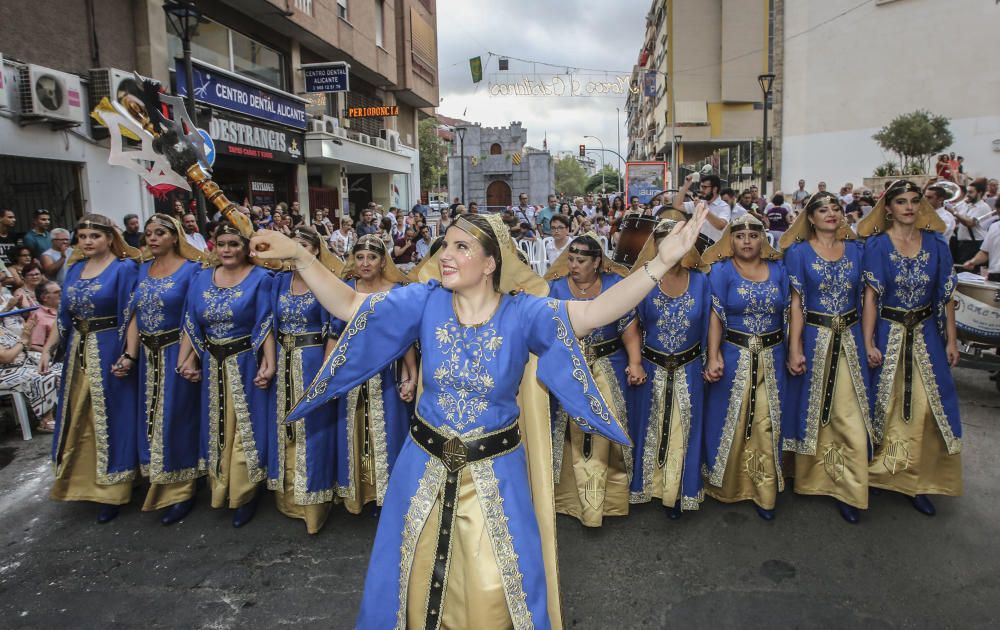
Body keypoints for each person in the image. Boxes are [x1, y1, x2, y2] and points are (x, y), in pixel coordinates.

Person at [248, 207, 707, 629]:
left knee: (494, 592)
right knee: (410, 581)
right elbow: (350, 306)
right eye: (445, 245)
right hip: (420, 468)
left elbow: (593, 312)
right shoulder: (424, 301)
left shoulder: (523, 313)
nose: (445, 255)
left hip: (495, 476)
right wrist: (298, 258)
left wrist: (660, 262)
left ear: (490, 263)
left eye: (460, 247)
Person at [857, 180, 961, 516]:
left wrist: (952, 339)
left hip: (927, 334)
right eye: (901, 201)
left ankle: (915, 481)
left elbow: (945, 297)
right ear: (888, 208)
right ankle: (876, 475)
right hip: (889, 331)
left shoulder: (936, 243)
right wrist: (869, 341)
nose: (909, 207)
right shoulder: (876, 245)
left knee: (925, 407)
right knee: (883, 403)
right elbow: (870, 297)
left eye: (915, 201)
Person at [780, 193, 873, 524]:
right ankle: (810, 479)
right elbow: (795, 304)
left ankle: (851, 489)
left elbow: (866, 301)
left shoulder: (857, 251)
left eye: (836, 208)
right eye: (823, 209)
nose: (831, 213)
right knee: (812, 410)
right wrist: (794, 348)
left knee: (849, 414)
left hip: (849, 340)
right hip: (814, 339)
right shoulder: (798, 253)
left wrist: (869, 343)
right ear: (811, 218)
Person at [42, 214, 141, 523]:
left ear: (110, 238)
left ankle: (114, 489)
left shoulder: (124, 269)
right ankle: (80, 481)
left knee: (111, 416)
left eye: (94, 236)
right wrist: (47, 349)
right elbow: (64, 315)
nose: (87, 241)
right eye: (82, 236)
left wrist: (130, 354)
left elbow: (133, 313)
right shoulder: (73, 271)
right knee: (79, 415)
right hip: (78, 350)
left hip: (111, 345)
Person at [178, 221, 276, 528]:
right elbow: (192, 322)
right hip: (211, 363)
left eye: (234, 244)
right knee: (217, 425)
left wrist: (267, 363)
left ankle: (245, 493)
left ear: (246, 247)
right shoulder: (201, 278)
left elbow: (265, 323)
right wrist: (187, 360)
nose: (228, 250)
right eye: (222, 244)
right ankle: (220, 488)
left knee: (246, 428)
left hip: (245, 360)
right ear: (214, 247)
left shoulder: (261, 278)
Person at [544, 235, 640, 527]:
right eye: (570, 259)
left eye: (581, 260)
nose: (573, 265)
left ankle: (608, 501)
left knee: (605, 430)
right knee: (569, 432)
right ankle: (568, 501)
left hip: (608, 366)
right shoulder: (555, 288)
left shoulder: (613, 286)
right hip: (568, 369)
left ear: (597, 261)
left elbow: (629, 328)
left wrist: (635, 362)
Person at [118, 214, 206, 525]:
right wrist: (129, 355)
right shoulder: (141, 270)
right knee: (150, 418)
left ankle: (182, 488)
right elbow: (133, 314)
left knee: (176, 418)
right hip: (147, 356)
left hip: (175, 352)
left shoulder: (192, 270)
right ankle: (156, 479)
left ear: (174, 237)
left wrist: (189, 357)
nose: (153, 238)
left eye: (160, 233)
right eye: (149, 233)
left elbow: (194, 317)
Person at [701, 214, 788, 520]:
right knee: (732, 421)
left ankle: (763, 492)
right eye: (740, 236)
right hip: (734, 355)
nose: (747, 241)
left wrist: (795, 350)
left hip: (772, 359)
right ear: (730, 240)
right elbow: (714, 316)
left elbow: (792, 311)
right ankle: (725, 486)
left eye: (753, 235)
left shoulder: (779, 269)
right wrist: (713, 356)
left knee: (765, 421)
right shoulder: (721, 271)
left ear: (763, 239)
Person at [627, 220, 709, 517]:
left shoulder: (701, 280)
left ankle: (675, 492)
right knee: (648, 424)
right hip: (651, 365)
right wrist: (635, 361)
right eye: (664, 240)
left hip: (689, 367)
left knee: (683, 429)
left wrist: (712, 358)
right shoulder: (644, 278)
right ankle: (646, 486)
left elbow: (711, 320)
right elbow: (630, 322)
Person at [331, 235, 416, 516]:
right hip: (351, 370)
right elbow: (333, 333)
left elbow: (405, 338)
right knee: (352, 428)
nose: (365, 263)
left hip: (388, 372)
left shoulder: (397, 291)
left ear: (383, 262)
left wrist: (410, 375)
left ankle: (388, 495)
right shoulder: (344, 289)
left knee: (390, 429)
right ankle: (357, 494)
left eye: (372, 258)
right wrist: (327, 375)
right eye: (360, 257)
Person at [267, 226, 344, 534]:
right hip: (285, 360)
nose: (295, 250)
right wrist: (269, 363)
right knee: (285, 425)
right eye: (291, 245)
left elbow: (334, 324)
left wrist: (326, 368)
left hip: (313, 359)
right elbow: (269, 323)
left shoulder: (326, 280)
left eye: (302, 245)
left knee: (314, 427)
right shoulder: (278, 283)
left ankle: (315, 502)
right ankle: (289, 499)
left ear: (314, 251)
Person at [0, 316, 61, 434]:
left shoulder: (3, 328)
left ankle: (66, 411)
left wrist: (27, 332)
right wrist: (23, 340)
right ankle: (45, 420)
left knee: (61, 368)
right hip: (5, 372)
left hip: (24, 364)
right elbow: (6, 357)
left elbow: (26, 347)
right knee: (43, 376)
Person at [673, 174, 732, 244]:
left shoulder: (724, 206)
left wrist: (703, 209)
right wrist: (686, 186)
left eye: (704, 187)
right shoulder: (700, 203)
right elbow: (677, 205)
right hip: (696, 247)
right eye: (700, 187)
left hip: (715, 249)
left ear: (714, 189)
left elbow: (721, 225)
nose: (701, 190)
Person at [953, 180, 994, 265]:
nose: (967, 195)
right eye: (967, 192)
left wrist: (955, 212)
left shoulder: (983, 207)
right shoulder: (966, 205)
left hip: (975, 244)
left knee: (971, 273)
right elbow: (957, 220)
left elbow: (970, 223)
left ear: (979, 193)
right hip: (963, 244)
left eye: (971, 192)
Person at [29, 280, 60, 353]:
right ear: (44, 298)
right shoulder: (39, 317)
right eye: (56, 292)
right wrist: (55, 355)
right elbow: (33, 346)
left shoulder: (65, 310)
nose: (61, 294)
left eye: (61, 291)